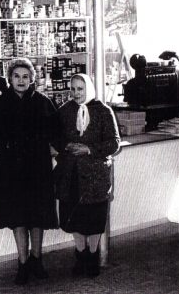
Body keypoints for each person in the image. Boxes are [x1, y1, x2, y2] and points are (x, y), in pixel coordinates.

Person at [0, 58, 58, 285]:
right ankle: (23, 262)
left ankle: (37, 259)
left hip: (37, 168)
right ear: (10, 78)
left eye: (26, 76)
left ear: (32, 79)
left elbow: (55, 130)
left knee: (37, 216)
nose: (21, 80)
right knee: (18, 217)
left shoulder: (43, 102)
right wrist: (4, 146)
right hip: (10, 169)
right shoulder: (0, 103)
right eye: (17, 76)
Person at [51, 73, 120, 278]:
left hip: (95, 176)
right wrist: (65, 146)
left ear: (88, 88)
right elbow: (54, 136)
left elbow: (114, 143)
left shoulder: (103, 111)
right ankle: (80, 256)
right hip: (70, 174)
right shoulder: (64, 111)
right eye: (72, 89)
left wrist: (89, 149)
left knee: (94, 218)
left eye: (80, 89)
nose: (75, 93)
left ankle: (92, 257)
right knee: (75, 218)